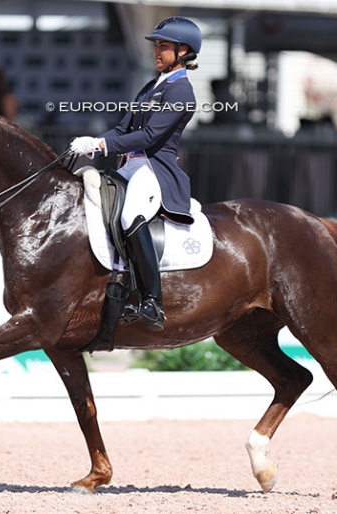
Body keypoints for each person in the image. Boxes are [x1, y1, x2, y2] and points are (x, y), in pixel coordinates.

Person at [70, 17, 202, 331]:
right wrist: (93, 144)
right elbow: (123, 128)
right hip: (128, 166)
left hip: (153, 169)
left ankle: (153, 301)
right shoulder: (151, 86)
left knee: (130, 215)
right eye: (156, 45)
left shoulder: (181, 91)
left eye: (164, 46)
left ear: (183, 50)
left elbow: (149, 137)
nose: (156, 51)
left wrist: (101, 144)